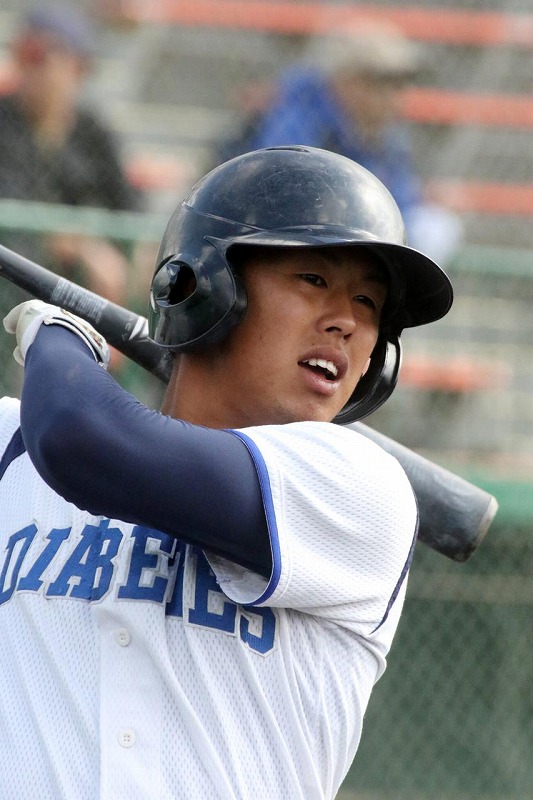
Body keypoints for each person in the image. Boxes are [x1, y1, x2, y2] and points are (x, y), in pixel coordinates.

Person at [0, 146, 453, 799]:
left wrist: (54, 332)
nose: (348, 322)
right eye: (314, 280)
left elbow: (84, 441)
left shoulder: (360, 491)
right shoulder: (13, 443)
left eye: (368, 303)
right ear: (205, 288)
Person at [216, 20, 462, 264]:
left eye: (400, 84)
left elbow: (400, 201)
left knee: (435, 225)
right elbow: (281, 197)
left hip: (349, 230)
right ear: (347, 80)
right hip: (284, 237)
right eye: (381, 82)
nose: (394, 96)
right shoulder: (300, 119)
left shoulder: (384, 133)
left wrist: (419, 199)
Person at [0, 3, 143, 391]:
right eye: (23, 55)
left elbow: (131, 210)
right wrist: (83, 245)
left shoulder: (91, 129)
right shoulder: (5, 122)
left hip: (84, 282)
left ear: (77, 66)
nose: (29, 70)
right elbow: (15, 226)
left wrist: (123, 256)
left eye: (41, 57)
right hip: (17, 283)